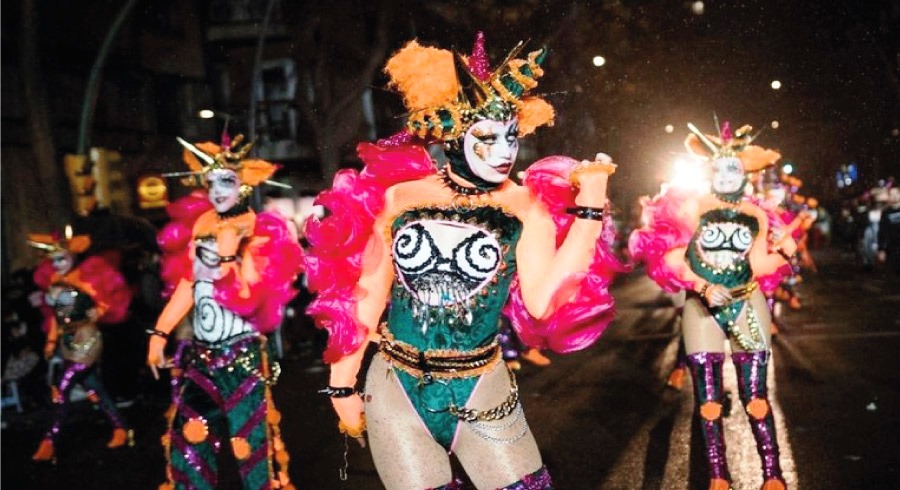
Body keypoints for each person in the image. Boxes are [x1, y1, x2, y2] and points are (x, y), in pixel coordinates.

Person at [303, 33, 622, 489]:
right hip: (395, 388)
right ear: (453, 136)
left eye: (511, 136)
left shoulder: (524, 206)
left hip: (481, 388)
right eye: (488, 138)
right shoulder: (401, 198)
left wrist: (589, 210)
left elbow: (541, 303)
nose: (505, 151)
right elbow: (367, 295)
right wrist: (342, 382)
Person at [629, 121, 796, 490]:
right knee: (708, 402)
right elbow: (672, 257)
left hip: (747, 301)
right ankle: (718, 477)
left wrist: (785, 252)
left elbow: (758, 264)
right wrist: (702, 285)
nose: (725, 176)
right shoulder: (690, 207)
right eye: (719, 169)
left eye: (733, 169)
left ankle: (773, 476)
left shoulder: (756, 214)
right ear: (709, 171)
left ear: (744, 173)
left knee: (756, 399)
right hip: (702, 307)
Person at [147, 134, 304, 490]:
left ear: (243, 185)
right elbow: (190, 284)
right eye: (211, 182)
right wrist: (159, 334)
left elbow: (247, 300)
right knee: (189, 441)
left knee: (250, 449)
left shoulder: (259, 231)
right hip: (201, 356)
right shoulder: (202, 226)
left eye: (226, 181)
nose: (217, 190)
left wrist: (229, 256)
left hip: (242, 355)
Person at [28, 228, 134, 462]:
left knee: (62, 387)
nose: (58, 264)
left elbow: (105, 302)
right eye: (54, 261)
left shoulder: (86, 279)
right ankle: (121, 428)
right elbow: (56, 318)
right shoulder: (55, 284)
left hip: (87, 340)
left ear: (72, 257)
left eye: (62, 259)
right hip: (68, 342)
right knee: (94, 388)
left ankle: (49, 441)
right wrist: (51, 341)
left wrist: (100, 309)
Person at [878, 187, 900, 275]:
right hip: (892, 248)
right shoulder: (886, 212)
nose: (894, 196)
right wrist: (881, 249)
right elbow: (882, 231)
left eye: (896, 194)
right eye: (892, 194)